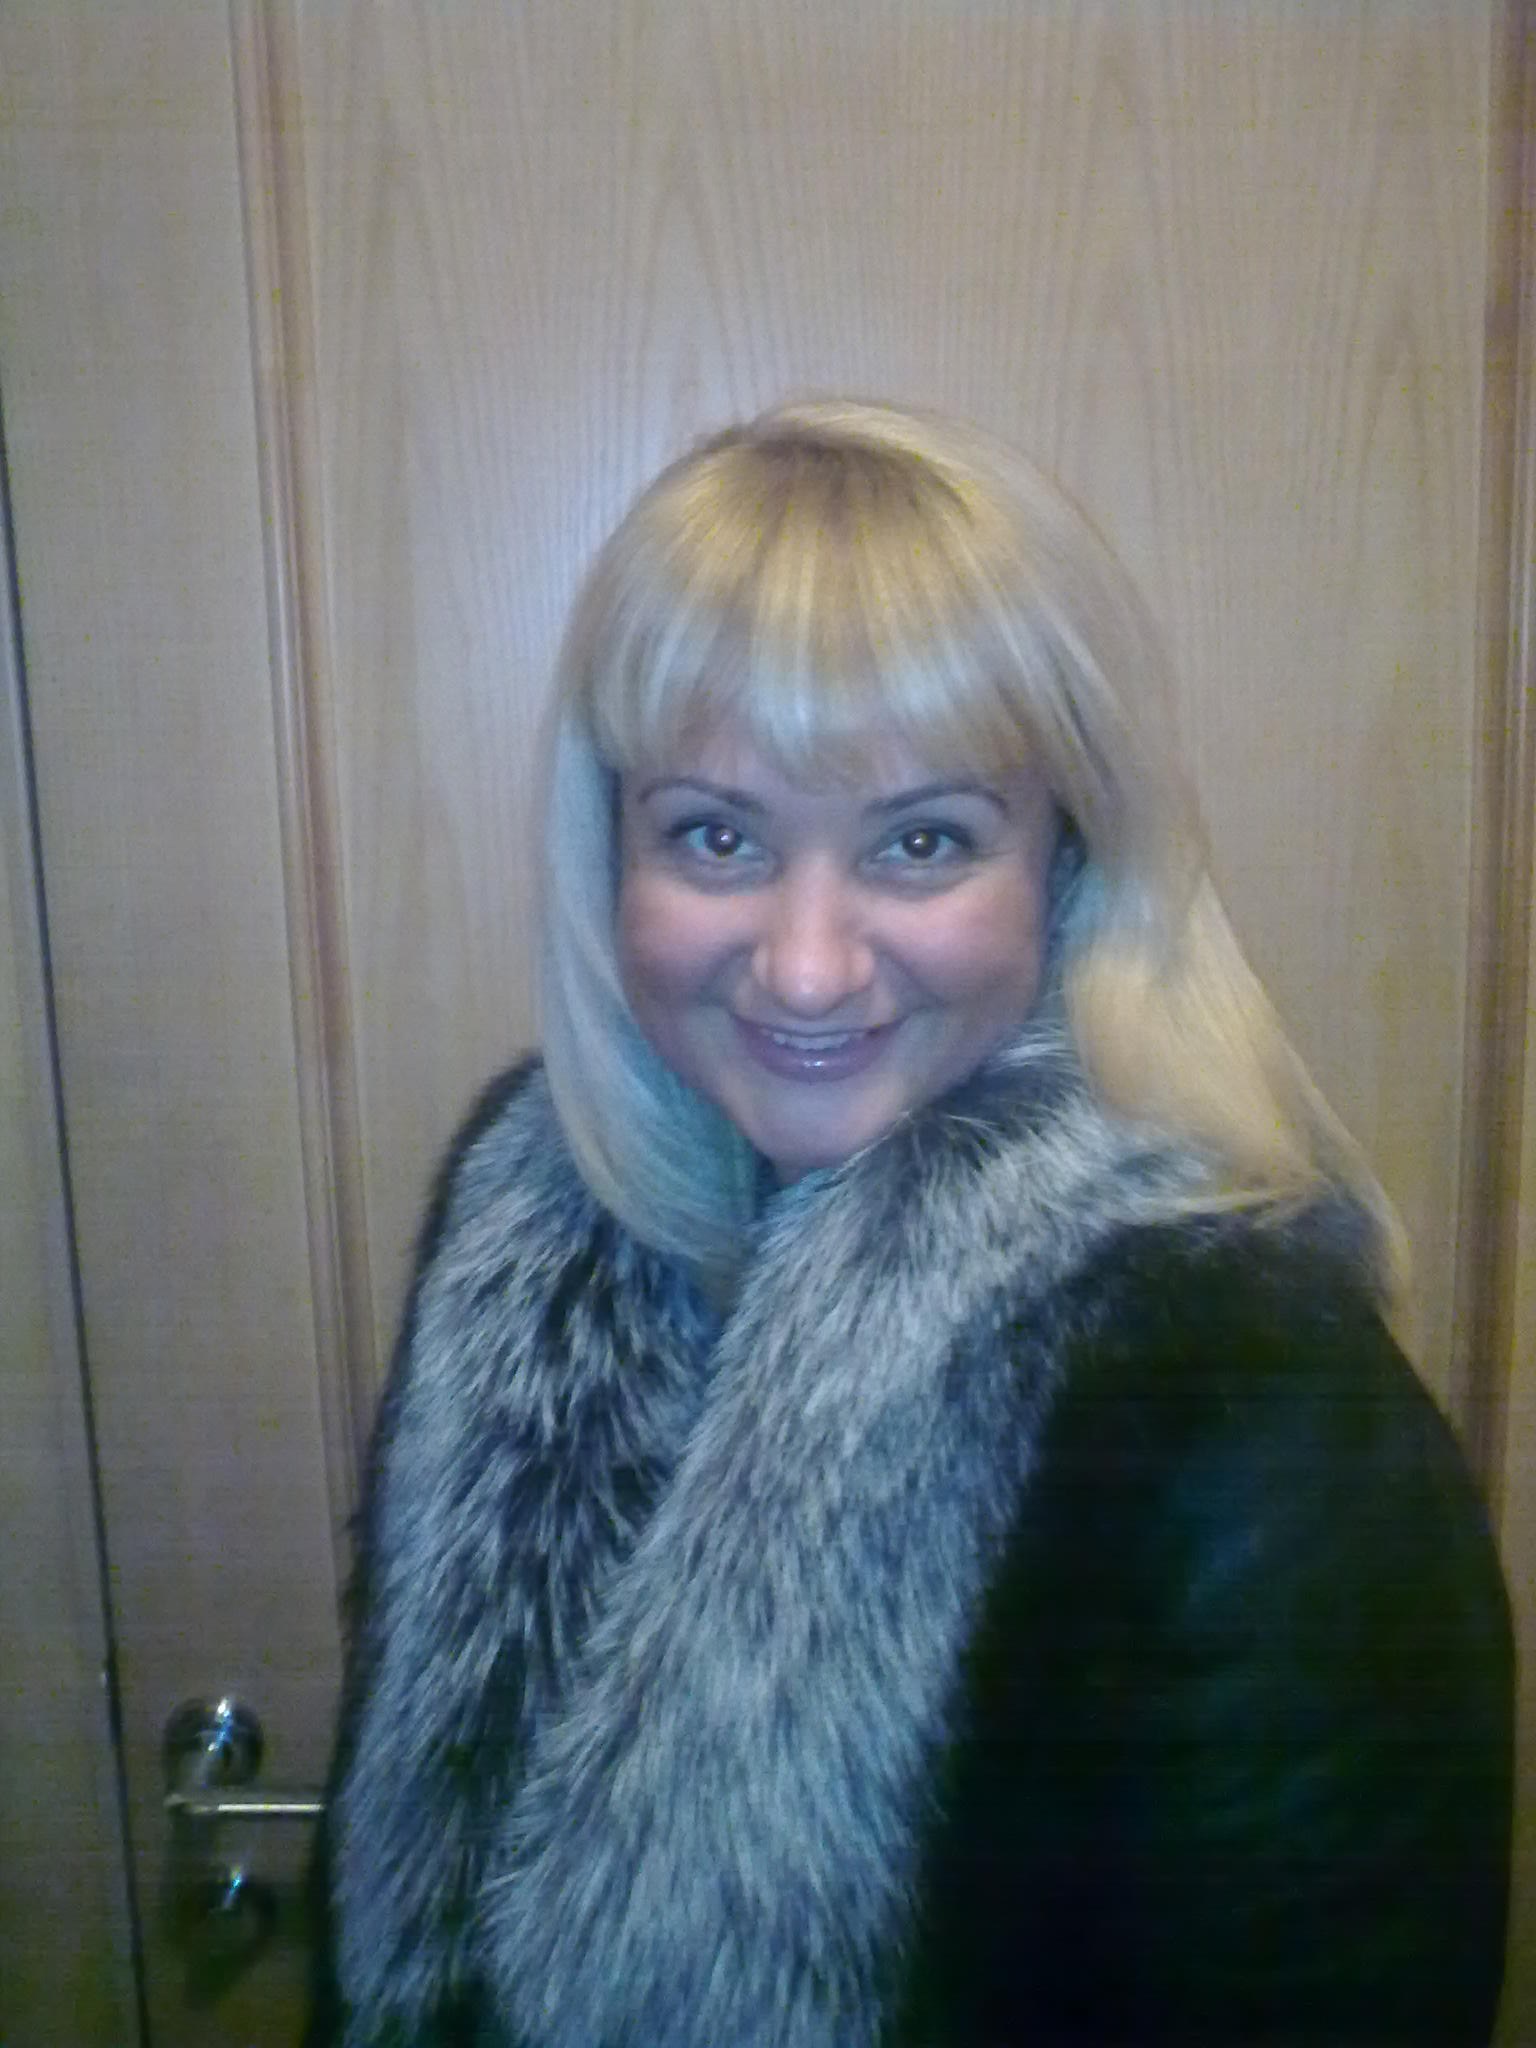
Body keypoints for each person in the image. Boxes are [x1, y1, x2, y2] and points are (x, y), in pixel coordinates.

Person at [311, 400, 1512, 2046]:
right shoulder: (524, 1232)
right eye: (716, 835)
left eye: (923, 841)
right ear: (612, 854)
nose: (806, 968)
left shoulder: (1246, 1399)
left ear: (1065, 864)